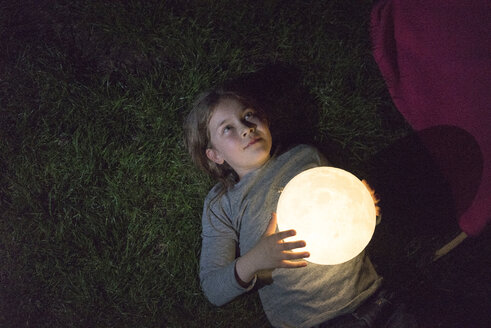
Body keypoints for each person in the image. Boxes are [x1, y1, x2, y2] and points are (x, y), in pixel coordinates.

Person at [184, 86, 418, 328]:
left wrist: (366, 209)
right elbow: (214, 289)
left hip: (377, 302)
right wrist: (257, 259)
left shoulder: (305, 156)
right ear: (215, 155)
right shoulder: (222, 204)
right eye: (228, 128)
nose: (246, 128)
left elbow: (346, 224)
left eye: (248, 115)